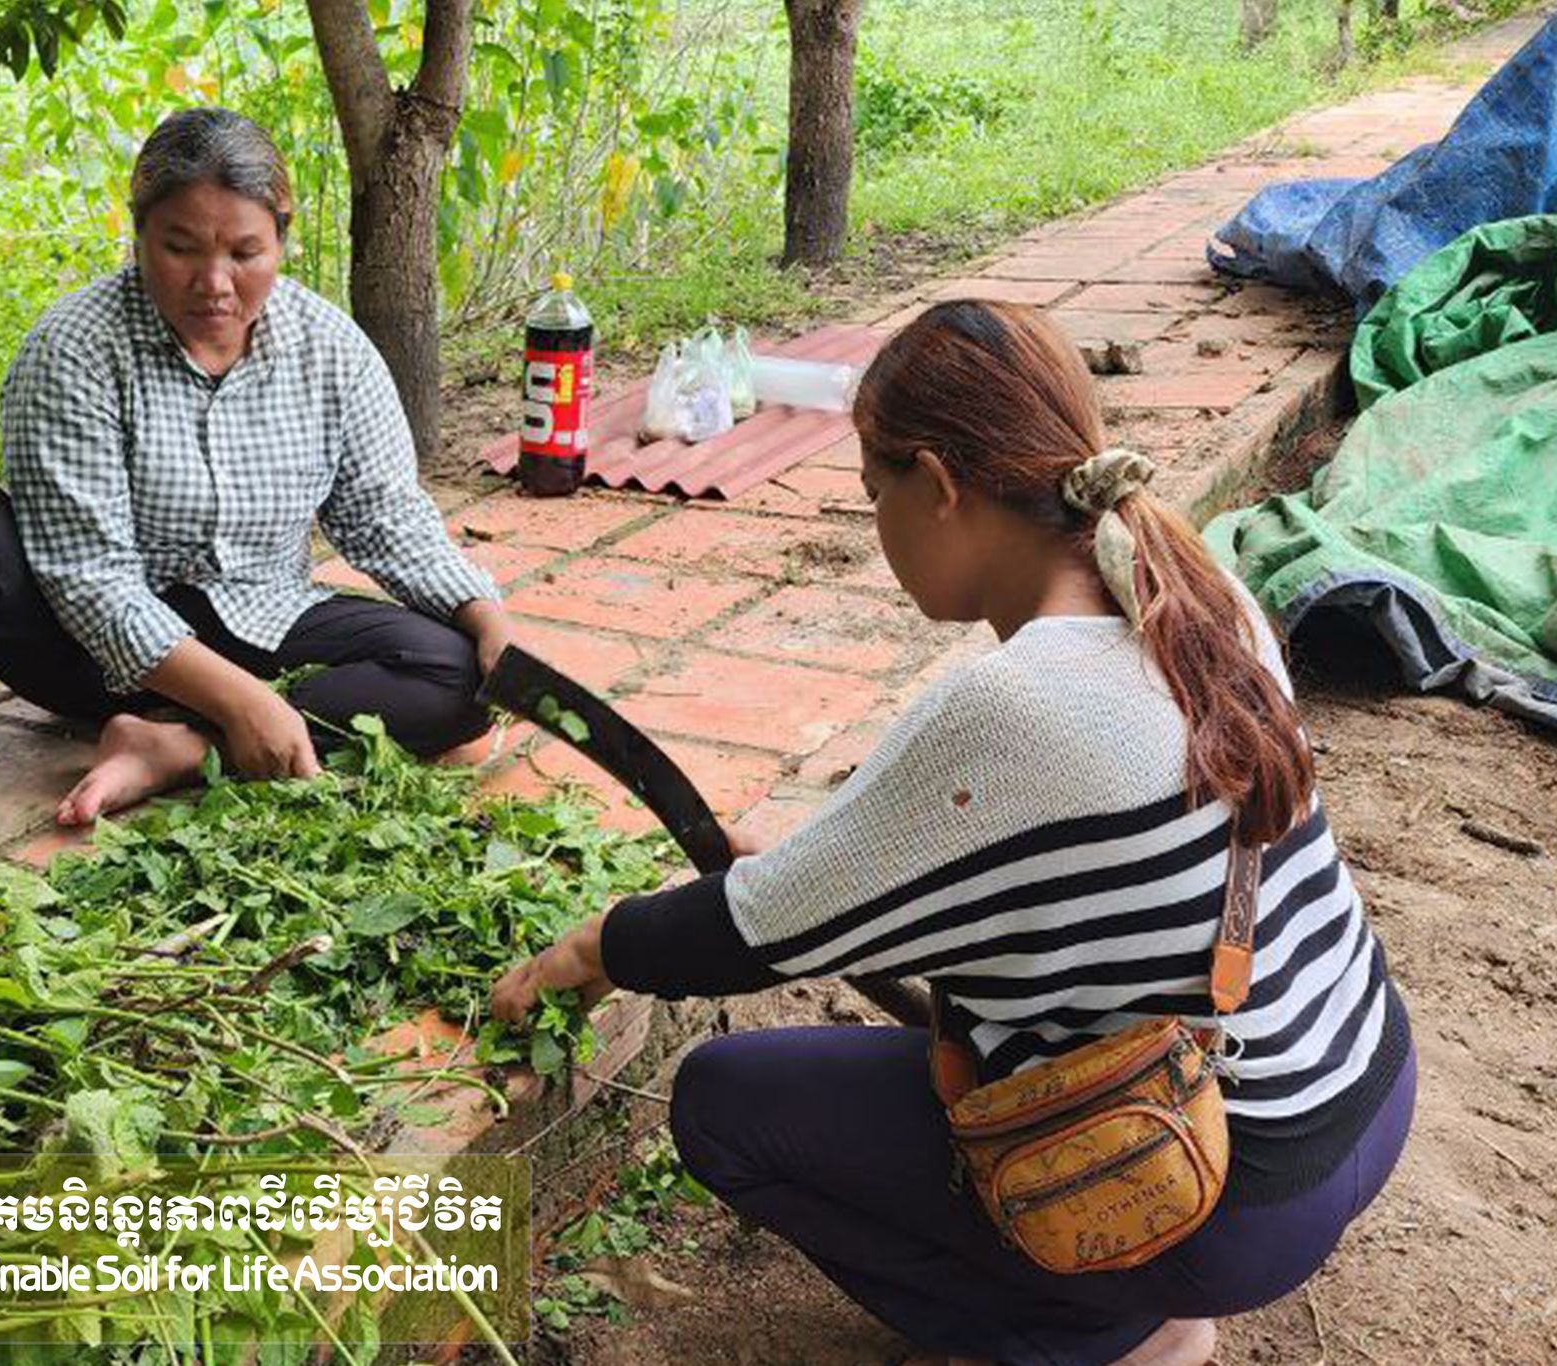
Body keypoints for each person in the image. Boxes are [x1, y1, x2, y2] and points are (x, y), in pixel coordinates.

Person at [491, 300, 1414, 1366]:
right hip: (1352, 1092)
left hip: (1213, 1187)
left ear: (935, 485)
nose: (875, 524)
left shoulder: (1012, 705)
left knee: (724, 1105)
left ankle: (1093, 1333)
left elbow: (748, 936)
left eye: (871, 492)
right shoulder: (1198, 597)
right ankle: (1130, 1296)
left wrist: (593, 948)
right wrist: (810, 871)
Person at [0, 108, 512, 866]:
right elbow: (88, 576)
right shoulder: (76, 346)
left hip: (258, 621)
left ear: (281, 240)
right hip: (83, 646)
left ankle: (182, 747)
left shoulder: (331, 350)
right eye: (180, 248)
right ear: (138, 236)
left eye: (245, 252)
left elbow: (385, 515)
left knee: (460, 675)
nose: (214, 284)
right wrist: (242, 700)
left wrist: (485, 617)